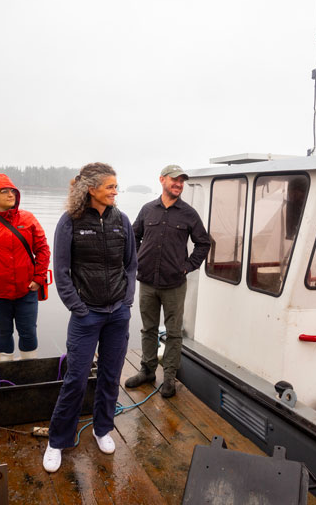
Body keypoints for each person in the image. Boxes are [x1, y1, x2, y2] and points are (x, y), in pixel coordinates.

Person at [43, 163, 136, 473]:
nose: (115, 191)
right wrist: (78, 307)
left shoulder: (121, 221)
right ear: (91, 189)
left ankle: (102, 428)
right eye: (110, 186)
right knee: (76, 378)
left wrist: (127, 300)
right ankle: (58, 440)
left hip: (118, 314)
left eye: (115, 186)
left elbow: (131, 265)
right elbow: (62, 271)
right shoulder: (70, 222)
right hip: (87, 315)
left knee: (111, 375)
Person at [125, 164, 210, 398]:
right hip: (147, 282)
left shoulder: (189, 213)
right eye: (175, 180)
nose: (179, 184)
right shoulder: (147, 209)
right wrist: (139, 258)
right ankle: (147, 370)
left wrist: (188, 265)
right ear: (162, 180)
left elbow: (203, 243)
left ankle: (169, 377)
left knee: (173, 332)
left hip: (174, 284)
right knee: (148, 329)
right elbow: (133, 236)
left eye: (182, 181)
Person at [0, 174, 50, 362]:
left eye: (12, 190)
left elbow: (43, 249)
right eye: (3, 191)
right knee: (2, 334)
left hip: (27, 290)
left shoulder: (28, 219)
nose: (10, 194)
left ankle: (30, 369)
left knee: (28, 332)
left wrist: (38, 278)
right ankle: (5, 372)